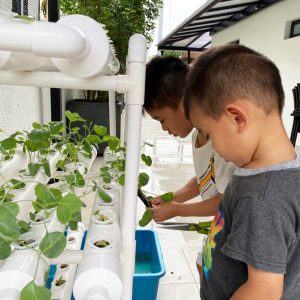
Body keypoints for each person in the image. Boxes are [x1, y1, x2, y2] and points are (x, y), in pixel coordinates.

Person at [183, 44, 300, 299]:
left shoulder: (261, 198)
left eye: (210, 133)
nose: (211, 144)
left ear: (237, 118)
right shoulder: (275, 170)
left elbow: (264, 291)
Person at [144, 55, 236, 279]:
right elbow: (204, 179)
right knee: (201, 265)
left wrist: (178, 210)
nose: (164, 129)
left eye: (162, 119)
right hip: (220, 224)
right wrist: (173, 197)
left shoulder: (222, 141)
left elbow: (225, 201)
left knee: (217, 278)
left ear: (183, 100)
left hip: (236, 228)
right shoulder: (198, 135)